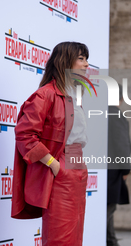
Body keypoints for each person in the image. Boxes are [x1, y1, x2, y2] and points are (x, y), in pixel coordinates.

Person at [11, 42, 89, 246]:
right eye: (81, 58)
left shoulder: (74, 96)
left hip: (78, 167)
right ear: (65, 61)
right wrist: (54, 164)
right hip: (61, 168)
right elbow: (25, 134)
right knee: (59, 238)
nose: (86, 64)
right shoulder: (45, 94)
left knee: (75, 237)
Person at [107, 85, 131, 246]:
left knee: (107, 211)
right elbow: (122, 146)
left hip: (103, 172)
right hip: (113, 172)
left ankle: (111, 242)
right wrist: (126, 169)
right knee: (108, 211)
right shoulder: (116, 116)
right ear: (121, 98)